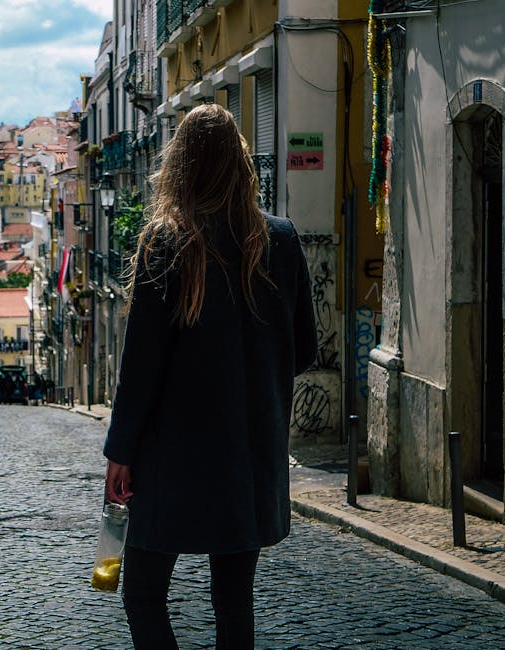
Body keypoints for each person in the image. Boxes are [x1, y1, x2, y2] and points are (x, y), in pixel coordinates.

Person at [103, 104, 317, 649]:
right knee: (233, 602)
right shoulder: (282, 240)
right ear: (242, 163)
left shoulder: (166, 241)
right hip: (248, 457)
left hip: (171, 459)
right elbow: (304, 348)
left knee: (143, 595)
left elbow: (141, 368)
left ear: (181, 165)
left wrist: (120, 453)